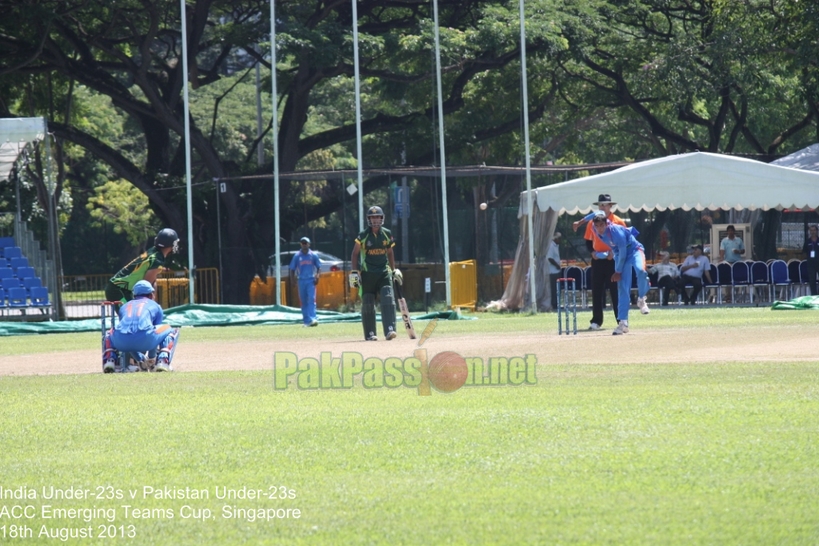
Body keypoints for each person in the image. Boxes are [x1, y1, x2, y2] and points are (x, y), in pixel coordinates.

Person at [589, 211, 650, 335]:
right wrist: (580, 222)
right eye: (597, 226)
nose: (599, 229)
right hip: (618, 253)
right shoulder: (594, 229)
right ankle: (623, 323)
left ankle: (641, 298)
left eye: (602, 225)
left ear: (607, 224)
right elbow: (594, 214)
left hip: (633, 250)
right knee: (622, 288)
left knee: (641, 271)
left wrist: (617, 271)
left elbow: (623, 253)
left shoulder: (616, 232)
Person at [572, 194, 627, 330]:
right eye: (600, 205)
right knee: (597, 290)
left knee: (615, 290)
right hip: (598, 260)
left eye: (605, 204)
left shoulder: (618, 221)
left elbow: (625, 241)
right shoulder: (593, 222)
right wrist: (592, 253)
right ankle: (596, 321)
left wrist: (613, 253)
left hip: (613, 260)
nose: (602, 207)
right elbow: (588, 240)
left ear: (610, 206)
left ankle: (621, 320)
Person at [102, 280, 180, 373]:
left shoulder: (124, 306)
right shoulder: (155, 305)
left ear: (134, 295)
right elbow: (155, 333)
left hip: (121, 342)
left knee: (110, 333)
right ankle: (162, 361)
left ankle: (110, 361)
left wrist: (140, 359)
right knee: (170, 329)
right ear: (151, 295)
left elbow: (128, 334)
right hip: (146, 338)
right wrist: (152, 358)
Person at [350, 206, 398, 341]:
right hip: (368, 273)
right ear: (368, 219)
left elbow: (390, 252)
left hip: (384, 272)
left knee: (388, 295)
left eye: (377, 217)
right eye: (372, 217)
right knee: (368, 301)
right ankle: (370, 333)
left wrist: (393, 270)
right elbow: (354, 254)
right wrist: (354, 273)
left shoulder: (387, 234)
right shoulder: (363, 235)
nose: (375, 220)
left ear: (382, 218)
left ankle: (390, 329)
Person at [105, 228, 179, 304]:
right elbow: (145, 286)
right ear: (170, 244)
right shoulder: (157, 260)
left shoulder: (154, 252)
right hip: (117, 290)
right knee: (131, 314)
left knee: (135, 313)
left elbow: (152, 281)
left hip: (123, 289)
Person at [290, 237, 322, 326]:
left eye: (306, 243)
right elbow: (292, 269)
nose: (304, 245)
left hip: (311, 280)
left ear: (309, 244)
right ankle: (306, 321)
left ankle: (313, 319)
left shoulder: (313, 255)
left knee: (311, 299)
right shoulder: (297, 256)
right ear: (301, 244)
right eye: (302, 243)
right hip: (301, 281)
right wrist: (292, 280)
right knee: (303, 301)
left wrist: (318, 276)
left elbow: (319, 267)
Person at [547, 231, 562, 311]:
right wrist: (557, 265)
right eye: (559, 239)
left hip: (557, 271)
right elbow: (550, 258)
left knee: (557, 288)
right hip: (553, 271)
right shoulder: (551, 246)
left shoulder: (556, 246)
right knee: (554, 289)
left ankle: (557, 303)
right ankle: (554, 304)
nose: (560, 240)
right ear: (556, 239)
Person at [803, 224, 819, 295]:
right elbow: (804, 252)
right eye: (811, 230)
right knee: (812, 281)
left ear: (817, 231)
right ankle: (814, 295)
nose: (813, 232)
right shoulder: (807, 241)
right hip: (810, 264)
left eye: (814, 230)